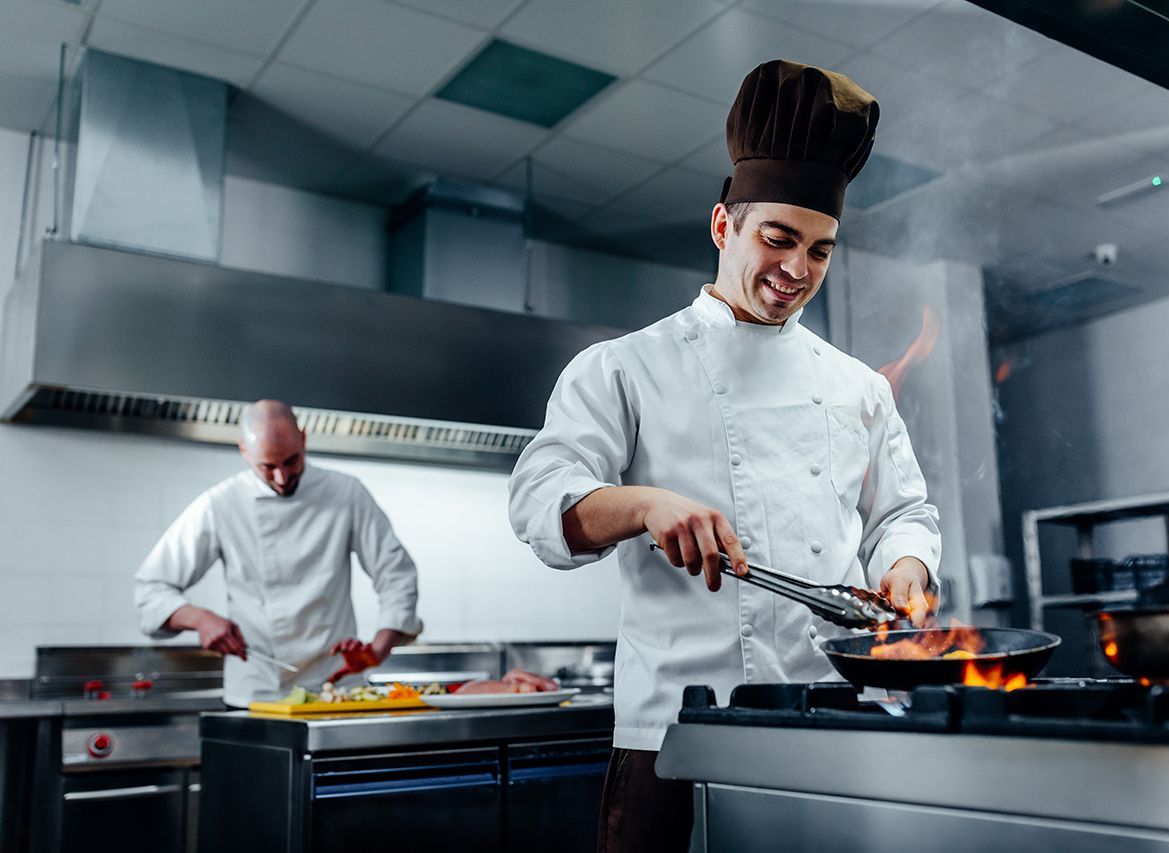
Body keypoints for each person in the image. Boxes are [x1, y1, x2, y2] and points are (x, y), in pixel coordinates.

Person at [507, 60, 942, 853]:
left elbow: (903, 515)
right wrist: (644, 503)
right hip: (676, 733)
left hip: (836, 719)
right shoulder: (625, 368)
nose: (797, 270)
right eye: (778, 238)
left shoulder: (854, 387)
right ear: (723, 226)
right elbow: (541, 502)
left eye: (820, 250)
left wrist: (906, 570)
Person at [134, 399, 423, 707]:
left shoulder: (346, 493)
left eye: (291, 461)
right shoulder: (220, 504)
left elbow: (397, 574)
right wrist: (199, 618)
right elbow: (151, 590)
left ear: (304, 439)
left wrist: (380, 647)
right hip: (257, 692)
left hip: (336, 688)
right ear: (244, 450)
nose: (283, 478)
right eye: (268, 467)